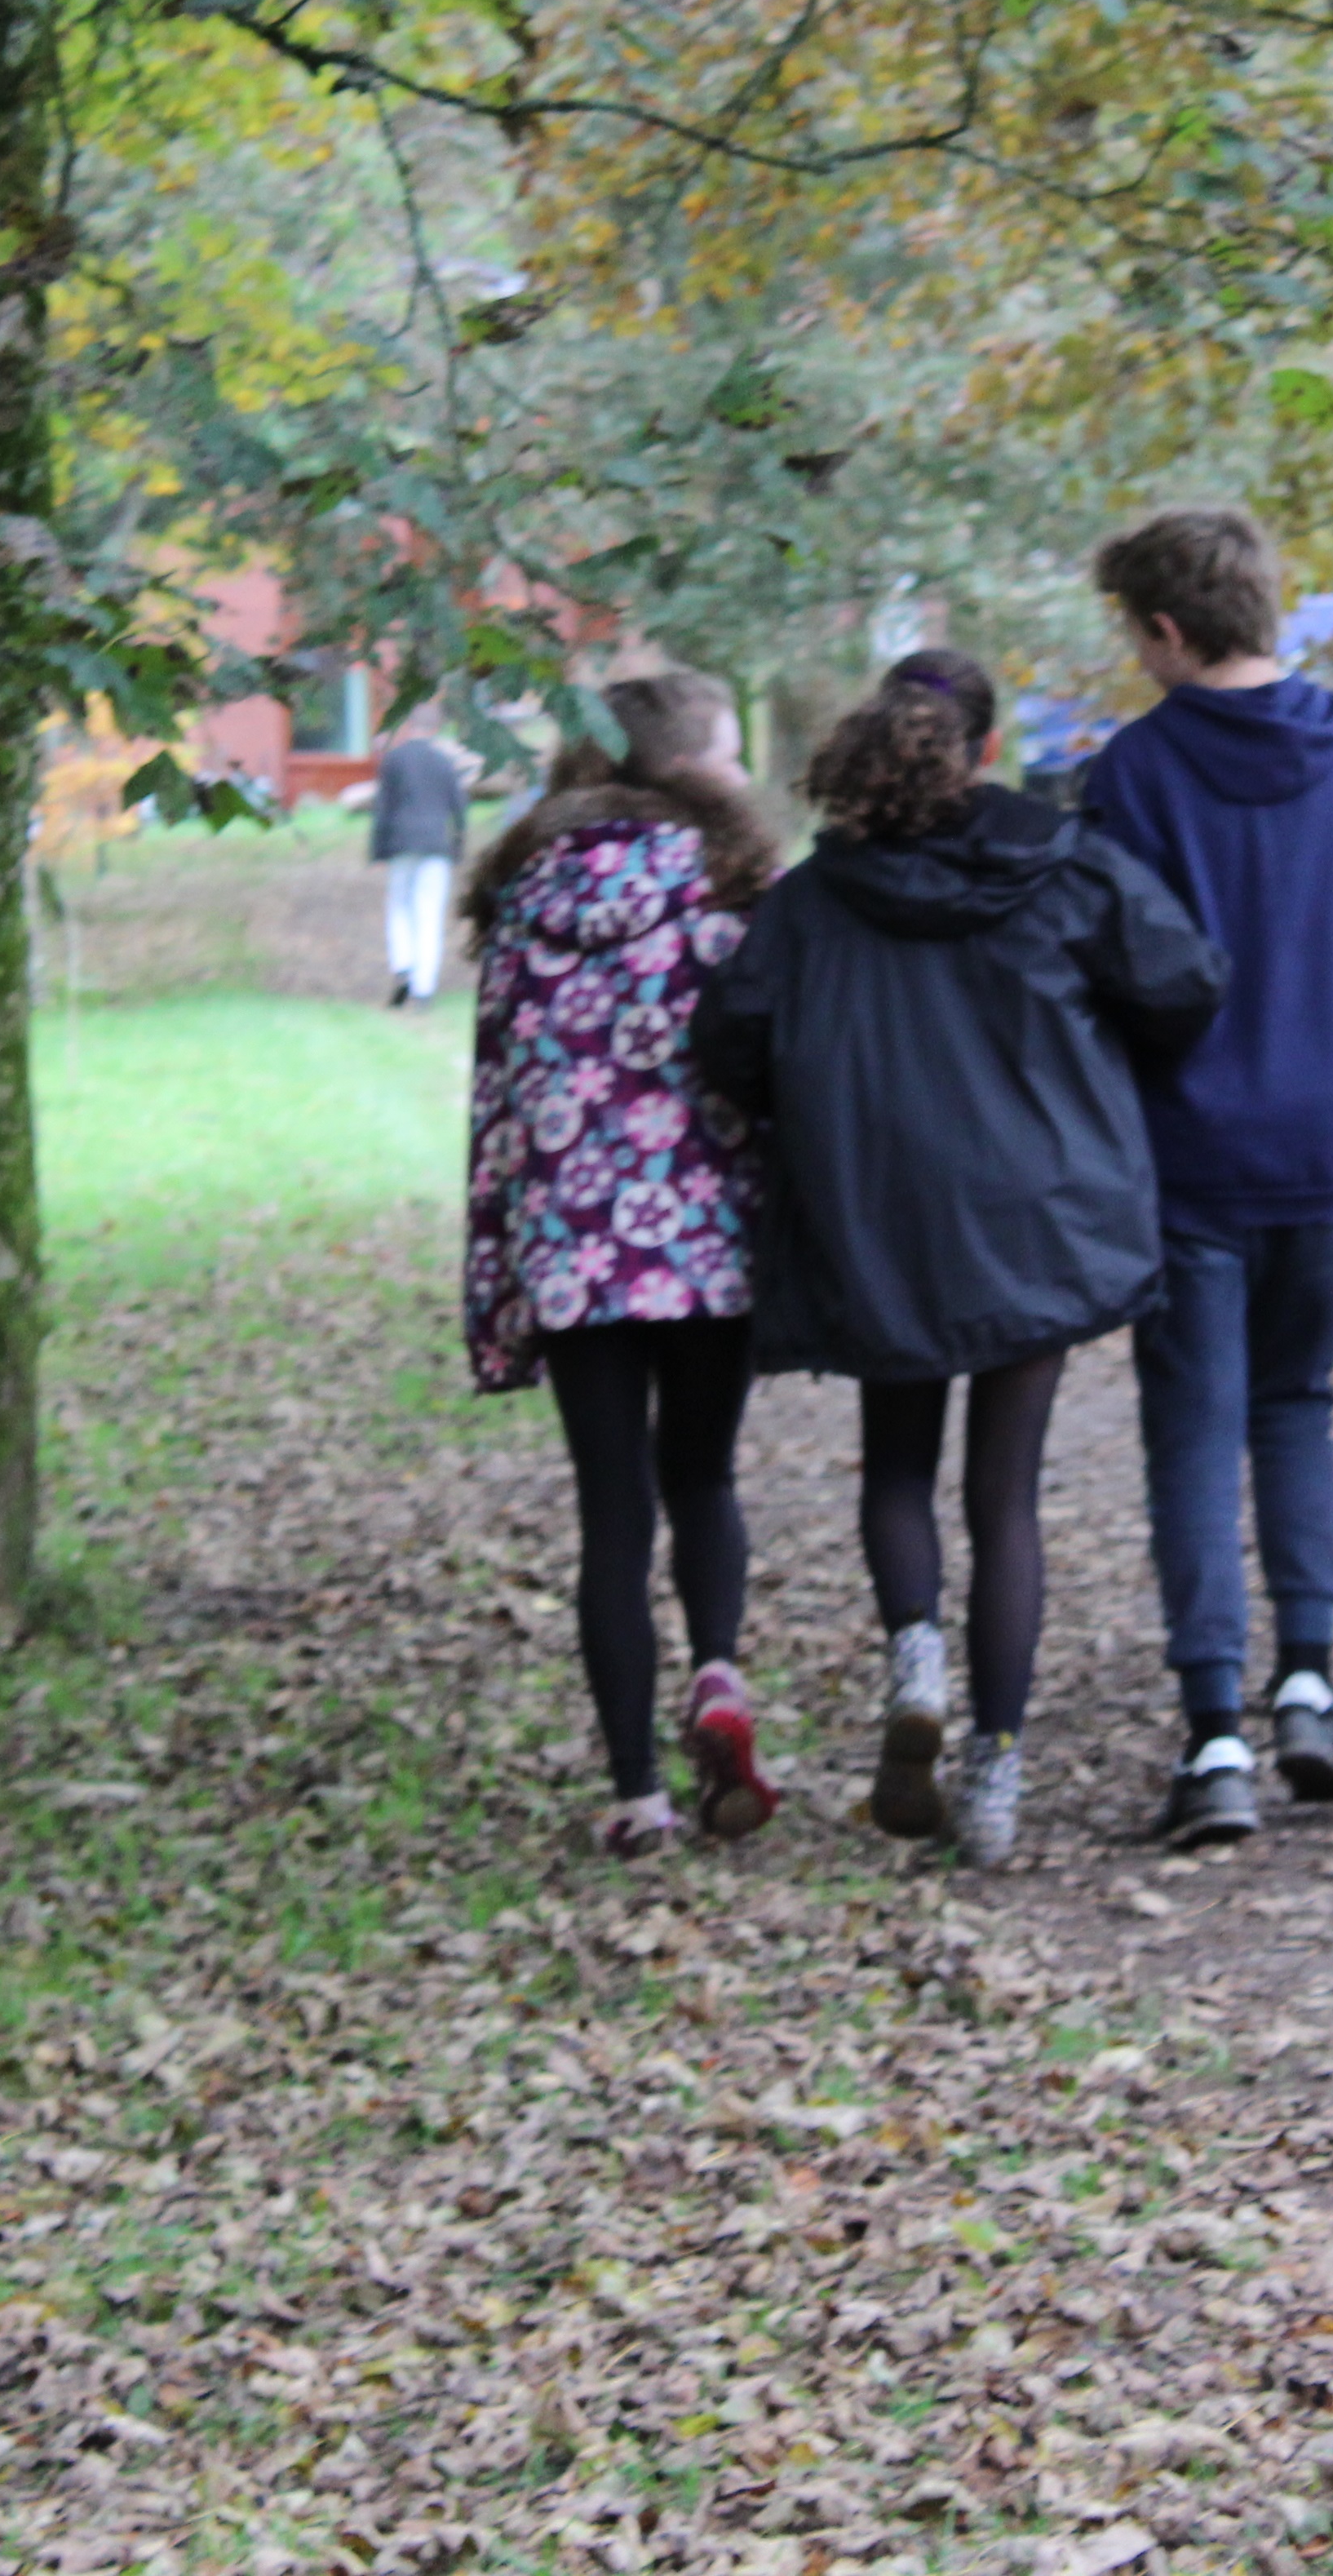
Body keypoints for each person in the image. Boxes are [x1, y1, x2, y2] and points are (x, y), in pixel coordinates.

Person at [696, 652, 1226, 1868]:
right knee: (1007, 1497)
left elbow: (728, 1039)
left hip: (876, 1205)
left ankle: (915, 1660)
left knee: (897, 1464)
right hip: (1038, 1211)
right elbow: (1187, 983)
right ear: (986, 749)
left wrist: (810, 1101)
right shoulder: (1068, 864)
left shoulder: (814, 901)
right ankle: (994, 1775)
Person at [1077, 507, 1333, 1851]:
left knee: (1193, 1431)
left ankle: (1213, 1730)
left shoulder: (1129, 780)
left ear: (1165, 628)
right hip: (1330, 1127)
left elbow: (1097, 970)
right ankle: (1310, 1687)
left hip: (1187, 1146)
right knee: (1294, 1401)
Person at [458, 671, 786, 1857]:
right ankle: (716, 1673)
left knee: (612, 1514)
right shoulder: (740, 892)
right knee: (702, 1476)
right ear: (692, 772)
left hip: (572, 1254)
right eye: (734, 753)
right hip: (711, 1246)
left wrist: (497, 1288)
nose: (746, 776)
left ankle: (638, 1792)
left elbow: (496, 1111)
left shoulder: (521, 901)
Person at [372, 712, 470, 1005]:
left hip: (402, 842)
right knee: (429, 913)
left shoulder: (394, 760)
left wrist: (378, 848)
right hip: (436, 845)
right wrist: (458, 845)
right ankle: (424, 987)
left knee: (399, 906)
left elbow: (383, 807)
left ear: (408, 727)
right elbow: (459, 808)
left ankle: (402, 965)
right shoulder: (444, 763)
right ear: (436, 729)